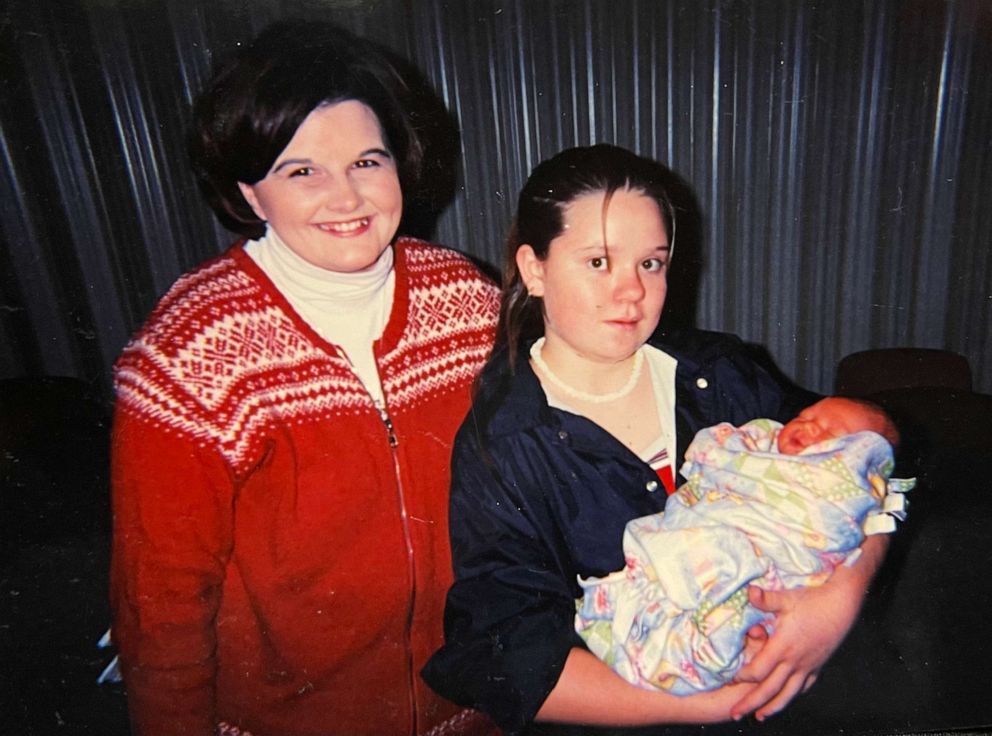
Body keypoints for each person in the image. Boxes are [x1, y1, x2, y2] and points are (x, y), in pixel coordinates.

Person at [422, 144, 898, 734]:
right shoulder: (506, 444)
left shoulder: (723, 374)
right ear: (534, 268)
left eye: (651, 263)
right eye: (599, 262)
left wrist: (844, 594)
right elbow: (506, 654)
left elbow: (880, 463)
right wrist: (717, 706)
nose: (632, 292)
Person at [109, 20, 499, 736]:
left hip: (473, 709)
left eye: (367, 162)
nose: (346, 198)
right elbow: (159, 605)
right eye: (302, 171)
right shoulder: (188, 356)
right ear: (250, 192)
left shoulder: (470, 303)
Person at [576, 398, 913, 695]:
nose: (808, 427)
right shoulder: (756, 445)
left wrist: (847, 588)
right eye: (806, 417)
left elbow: (882, 498)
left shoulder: (727, 369)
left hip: (775, 580)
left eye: (830, 433)